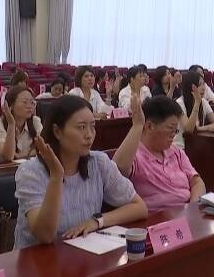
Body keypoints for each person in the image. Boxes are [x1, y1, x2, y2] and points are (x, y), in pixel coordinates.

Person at [14, 95, 148, 248]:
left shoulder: (98, 163)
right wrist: (56, 176)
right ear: (57, 131)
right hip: (38, 258)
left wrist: (98, 221)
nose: (89, 135)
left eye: (92, 126)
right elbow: (45, 235)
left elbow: (140, 208)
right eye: (82, 127)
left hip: (83, 255)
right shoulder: (30, 172)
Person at [113, 94, 205, 213]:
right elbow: (118, 168)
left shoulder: (176, 152)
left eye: (176, 130)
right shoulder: (134, 155)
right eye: (170, 129)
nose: (174, 135)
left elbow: (197, 182)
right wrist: (137, 126)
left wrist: (192, 208)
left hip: (186, 213)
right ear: (149, 126)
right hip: (156, 219)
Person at [0, 87, 42, 164]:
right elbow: (8, 157)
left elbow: (45, 148)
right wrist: (11, 125)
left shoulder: (35, 121)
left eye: (32, 102)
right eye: (25, 102)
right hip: (2, 169)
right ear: (10, 106)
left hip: (27, 168)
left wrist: (22, 155)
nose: (30, 106)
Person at [174, 72, 214, 148]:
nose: (203, 88)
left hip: (198, 145)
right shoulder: (179, 103)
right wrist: (197, 103)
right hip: (182, 147)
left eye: (203, 84)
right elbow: (188, 130)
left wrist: (200, 129)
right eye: (200, 84)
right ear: (190, 87)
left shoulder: (204, 102)